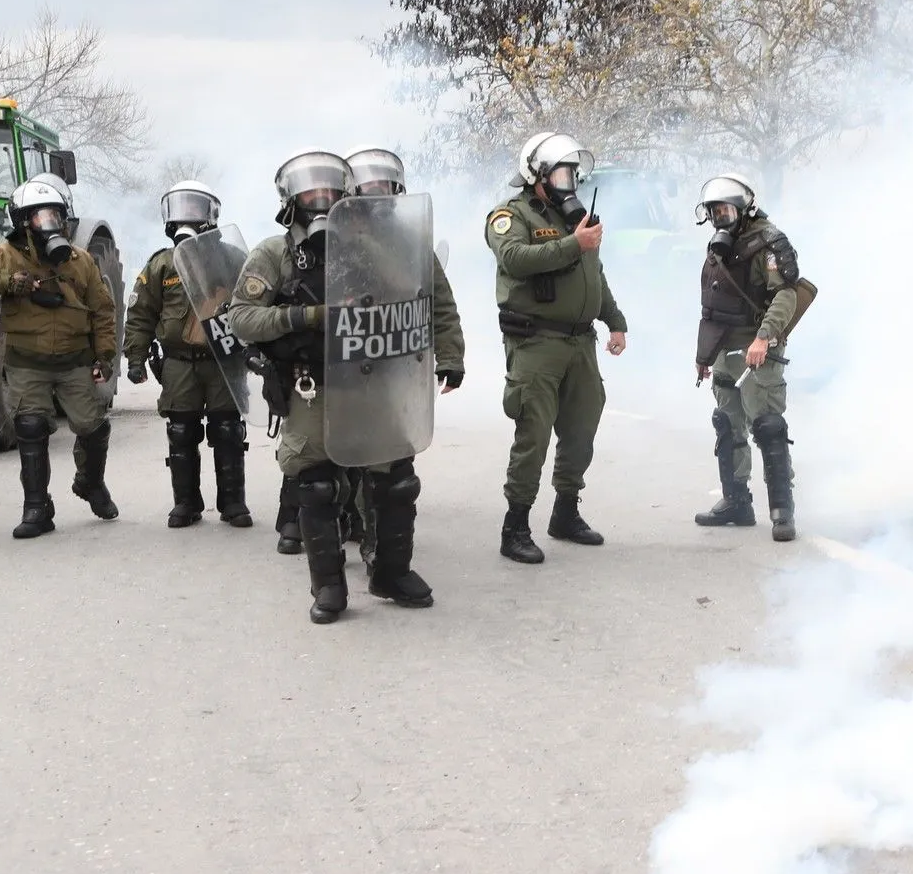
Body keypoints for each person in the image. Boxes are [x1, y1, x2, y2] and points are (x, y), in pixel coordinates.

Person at [225, 150, 460, 623]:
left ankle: (391, 573)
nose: (321, 202)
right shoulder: (274, 254)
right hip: (311, 383)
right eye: (311, 194)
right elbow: (241, 318)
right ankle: (329, 586)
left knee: (396, 480)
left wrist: (448, 355)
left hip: (373, 383)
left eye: (331, 193)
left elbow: (422, 293)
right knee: (316, 485)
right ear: (291, 203)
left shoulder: (375, 244)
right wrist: (309, 316)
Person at [486, 131, 627, 563]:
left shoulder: (574, 218)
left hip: (580, 341)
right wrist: (572, 244)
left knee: (582, 429)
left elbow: (594, 276)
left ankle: (565, 513)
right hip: (536, 341)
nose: (572, 179)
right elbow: (515, 259)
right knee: (533, 436)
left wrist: (615, 320)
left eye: (574, 172)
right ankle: (515, 527)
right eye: (563, 172)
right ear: (538, 175)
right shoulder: (510, 216)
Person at [0, 179, 120, 537]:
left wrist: (104, 356)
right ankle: (37, 508)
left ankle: (90, 483)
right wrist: (7, 282)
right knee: (30, 428)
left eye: (55, 215)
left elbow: (103, 312)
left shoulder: (82, 261)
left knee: (94, 427)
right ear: (24, 222)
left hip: (75, 362)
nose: (49, 223)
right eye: (40, 216)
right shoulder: (5, 256)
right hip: (28, 363)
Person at [342, 145, 465, 570]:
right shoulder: (334, 238)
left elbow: (439, 303)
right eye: (368, 184)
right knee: (336, 454)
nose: (377, 191)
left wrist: (451, 357)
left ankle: (375, 537)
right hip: (345, 364)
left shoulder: (413, 243)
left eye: (384, 184)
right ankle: (331, 520)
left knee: (387, 455)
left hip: (395, 364)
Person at [122, 180, 253, 529]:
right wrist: (135, 358)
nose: (187, 218)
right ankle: (186, 503)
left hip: (224, 359)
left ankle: (233, 503)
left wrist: (260, 350)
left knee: (228, 432)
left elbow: (253, 306)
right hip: (179, 363)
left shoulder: (234, 259)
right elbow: (140, 314)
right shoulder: (161, 265)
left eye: (194, 210)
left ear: (211, 215)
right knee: (181, 432)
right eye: (181, 209)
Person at [692, 173, 803, 541]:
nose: (720, 218)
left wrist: (764, 336)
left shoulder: (768, 243)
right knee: (727, 423)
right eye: (714, 212)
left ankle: (782, 511)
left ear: (744, 208)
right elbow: (713, 302)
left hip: (759, 351)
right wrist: (704, 354)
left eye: (725, 210)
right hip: (725, 351)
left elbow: (785, 294)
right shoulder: (719, 246)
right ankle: (736, 502)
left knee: (768, 427)